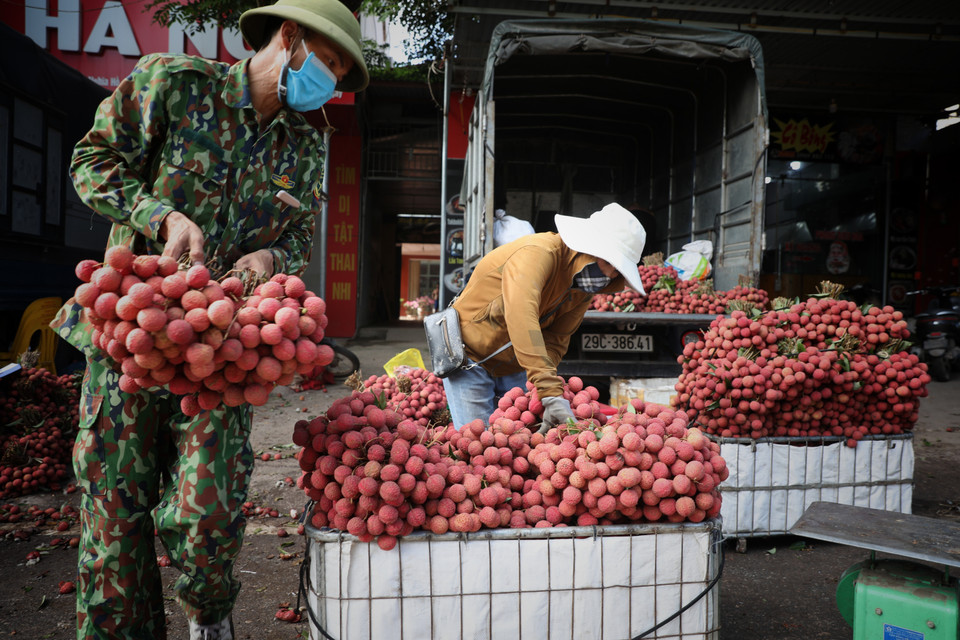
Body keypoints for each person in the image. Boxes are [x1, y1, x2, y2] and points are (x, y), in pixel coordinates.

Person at [50, 1, 368, 638]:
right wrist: (159, 216)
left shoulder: (304, 146)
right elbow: (91, 162)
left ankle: (209, 618)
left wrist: (272, 254)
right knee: (114, 513)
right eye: (326, 62)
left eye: (338, 73)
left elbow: (301, 233)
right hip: (133, 344)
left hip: (224, 356)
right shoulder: (170, 83)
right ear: (288, 36)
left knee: (210, 512)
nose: (328, 82)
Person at [443, 202, 647, 432]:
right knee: (476, 442)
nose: (610, 276)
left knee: (518, 444)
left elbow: (558, 338)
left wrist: (544, 386)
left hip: (515, 364)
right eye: (610, 265)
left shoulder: (582, 287)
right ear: (592, 249)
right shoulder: (538, 253)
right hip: (470, 358)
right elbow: (522, 316)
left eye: (618, 272)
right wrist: (549, 391)